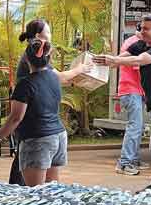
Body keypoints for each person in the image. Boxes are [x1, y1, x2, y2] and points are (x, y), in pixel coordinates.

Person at [95, 13, 151, 193]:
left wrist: (115, 60)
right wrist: (109, 63)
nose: (141, 31)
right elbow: (127, 55)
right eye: (141, 28)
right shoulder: (142, 44)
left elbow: (138, 60)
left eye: (146, 29)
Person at [6, 19, 89, 184]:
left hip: (40, 132)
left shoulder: (37, 56)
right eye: (48, 32)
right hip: (46, 130)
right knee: (39, 185)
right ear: (38, 36)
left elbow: (60, 78)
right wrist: (80, 69)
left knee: (33, 185)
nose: (51, 35)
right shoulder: (36, 59)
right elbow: (59, 77)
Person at [0, 37, 68, 186]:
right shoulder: (54, 78)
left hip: (38, 140)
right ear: (49, 58)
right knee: (52, 192)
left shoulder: (25, 84)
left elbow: (16, 118)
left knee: (35, 196)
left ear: (26, 59)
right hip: (59, 136)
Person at [115, 29, 146, 176]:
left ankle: (133, 160)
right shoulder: (135, 43)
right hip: (131, 90)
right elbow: (138, 66)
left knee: (138, 126)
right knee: (135, 126)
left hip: (134, 90)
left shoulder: (133, 41)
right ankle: (124, 163)